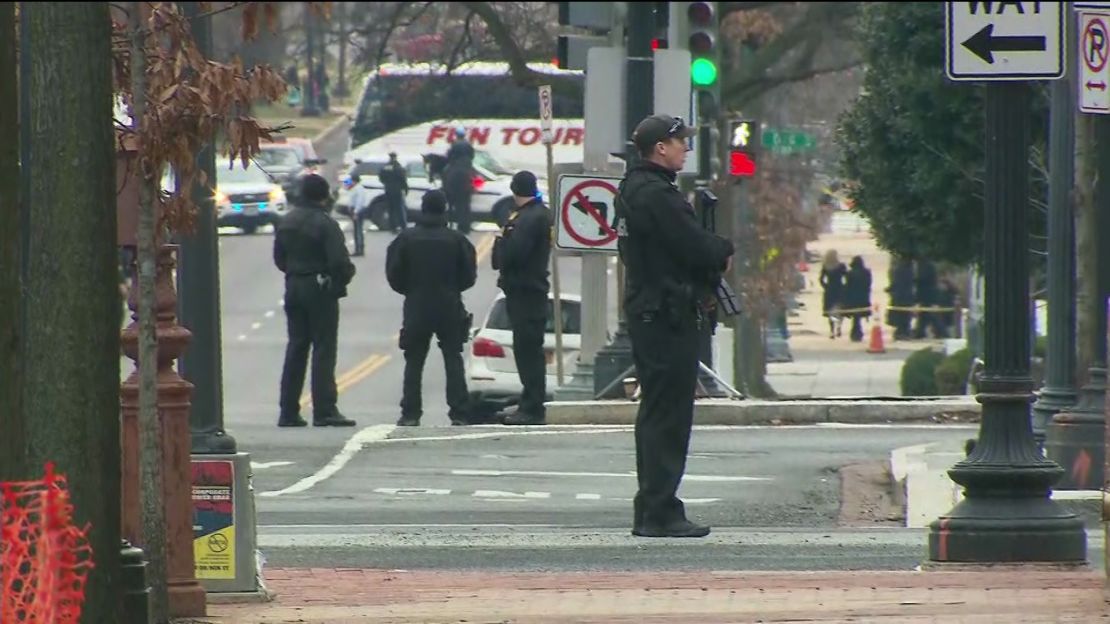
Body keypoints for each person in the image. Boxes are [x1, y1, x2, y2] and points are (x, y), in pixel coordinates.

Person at [615, 114, 734, 538]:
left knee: (657, 412)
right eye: (679, 141)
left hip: (654, 310)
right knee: (668, 415)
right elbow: (694, 245)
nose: (685, 147)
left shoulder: (635, 189)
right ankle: (660, 510)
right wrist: (723, 248)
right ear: (659, 148)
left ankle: (653, 506)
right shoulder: (656, 196)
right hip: (666, 313)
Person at [274, 173, 357, 428]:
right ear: (323, 196)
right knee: (323, 348)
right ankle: (324, 409)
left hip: (293, 285)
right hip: (319, 287)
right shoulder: (325, 224)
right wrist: (342, 279)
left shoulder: (286, 221)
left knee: (296, 347)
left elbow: (279, 259)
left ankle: (288, 411)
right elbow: (339, 262)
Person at [491, 171, 552, 426]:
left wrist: (500, 244)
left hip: (527, 291)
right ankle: (528, 401)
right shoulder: (532, 214)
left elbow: (515, 252)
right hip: (524, 290)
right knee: (526, 350)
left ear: (515, 189)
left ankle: (532, 407)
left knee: (528, 352)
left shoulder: (530, 218)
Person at [443, 128, 476, 234]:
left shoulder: (454, 144)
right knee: (466, 204)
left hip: (456, 165)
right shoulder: (469, 144)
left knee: (445, 171)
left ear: (456, 135)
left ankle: (444, 186)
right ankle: (466, 225)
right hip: (467, 166)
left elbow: (449, 156)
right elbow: (472, 156)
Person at [843, 255, 873, 343]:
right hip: (863, 298)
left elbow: (847, 286)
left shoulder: (850, 273)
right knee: (858, 316)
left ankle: (855, 333)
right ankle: (857, 332)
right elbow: (868, 285)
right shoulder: (867, 272)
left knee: (855, 317)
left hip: (852, 298)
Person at [819, 249, 847, 339]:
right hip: (839, 288)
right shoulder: (841, 266)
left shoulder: (825, 266)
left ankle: (832, 330)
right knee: (839, 310)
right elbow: (846, 276)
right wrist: (845, 286)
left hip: (829, 290)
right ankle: (839, 327)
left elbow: (821, 279)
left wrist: (825, 286)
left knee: (831, 311)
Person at [378, 151, 409, 233]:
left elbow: (381, 178)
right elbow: (403, 179)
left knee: (390, 209)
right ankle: (403, 227)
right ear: (395, 157)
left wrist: (387, 184)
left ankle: (393, 228)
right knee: (400, 209)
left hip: (388, 190)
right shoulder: (398, 167)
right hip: (397, 191)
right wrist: (406, 189)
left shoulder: (385, 167)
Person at [887, 256, 915, 340]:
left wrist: (890, 289)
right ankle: (906, 332)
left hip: (899, 296)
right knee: (906, 315)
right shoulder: (910, 270)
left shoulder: (897, 270)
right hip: (908, 296)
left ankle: (900, 332)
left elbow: (895, 283)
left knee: (899, 315)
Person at [344, 173, 371, 257]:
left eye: (351, 180)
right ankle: (358, 249)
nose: (350, 181)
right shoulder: (354, 188)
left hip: (358, 211)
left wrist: (356, 212)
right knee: (356, 230)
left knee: (358, 230)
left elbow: (359, 201)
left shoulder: (358, 189)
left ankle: (359, 249)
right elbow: (345, 184)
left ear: (354, 181)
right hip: (355, 210)